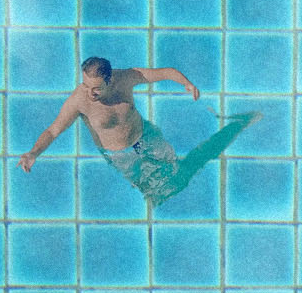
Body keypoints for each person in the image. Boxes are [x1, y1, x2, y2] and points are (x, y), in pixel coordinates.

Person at [18, 56, 258, 207]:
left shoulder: (126, 79)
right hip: (120, 156)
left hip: (146, 137)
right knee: (153, 190)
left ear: (110, 79)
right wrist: (33, 153)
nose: (90, 92)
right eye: (85, 85)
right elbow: (53, 130)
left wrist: (186, 83)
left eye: (96, 88)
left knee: (176, 172)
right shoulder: (78, 101)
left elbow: (164, 72)